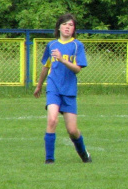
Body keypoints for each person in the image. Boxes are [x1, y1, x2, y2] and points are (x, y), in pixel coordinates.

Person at [33, 13, 90, 164]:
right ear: (59, 27)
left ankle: (84, 154)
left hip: (69, 90)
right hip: (53, 87)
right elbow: (46, 67)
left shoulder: (77, 45)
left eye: (71, 25)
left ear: (74, 29)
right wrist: (39, 85)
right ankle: (49, 160)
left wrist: (62, 59)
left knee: (72, 130)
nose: (67, 27)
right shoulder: (52, 45)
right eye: (65, 24)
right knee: (52, 120)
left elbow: (77, 69)